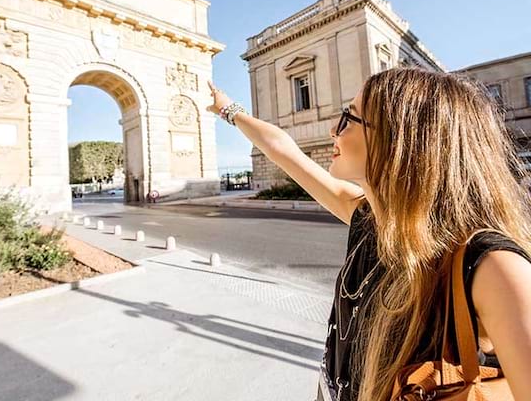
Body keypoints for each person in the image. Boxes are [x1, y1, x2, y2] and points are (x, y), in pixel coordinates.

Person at [206, 69, 531, 401]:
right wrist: (227, 109)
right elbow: (282, 150)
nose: (334, 129)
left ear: (401, 137)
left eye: (349, 118)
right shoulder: (367, 218)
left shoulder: (492, 266)